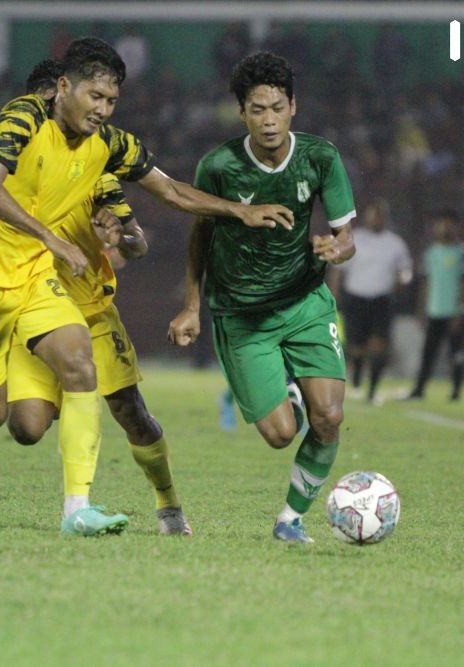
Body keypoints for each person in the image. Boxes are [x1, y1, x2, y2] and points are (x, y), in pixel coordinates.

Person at [0, 41, 293, 538]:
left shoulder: (109, 150)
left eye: (111, 101)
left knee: (81, 361)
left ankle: (77, 509)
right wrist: (45, 238)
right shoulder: (21, 120)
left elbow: (168, 191)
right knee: (6, 422)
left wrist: (240, 211)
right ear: (63, 88)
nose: (102, 110)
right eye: (95, 97)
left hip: (41, 278)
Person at [167, 52, 357, 544]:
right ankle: (286, 394)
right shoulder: (220, 166)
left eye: (277, 107)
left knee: (330, 417)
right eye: (257, 110)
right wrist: (192, 304)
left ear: (293, 106)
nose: (269, 120)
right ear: (242, 112)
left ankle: (290, 520)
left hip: (304, 302)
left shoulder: (320, 157)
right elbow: (199, 238)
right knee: (279, 435)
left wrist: (336, 249)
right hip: (242, 314)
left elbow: (346, 237)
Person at [328, 198, 412, 404]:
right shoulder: (355, 239)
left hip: (381, 300)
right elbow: (338, 270)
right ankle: (356, 379)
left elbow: (405, 270)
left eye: (380, 215)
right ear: (366, 217)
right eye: (373, 215)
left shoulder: (395, 243)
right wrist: (332, 296)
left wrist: (403, 279)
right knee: (356, 347)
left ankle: (372, 390)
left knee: (379, 346)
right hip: (355, 299)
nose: (377, 219)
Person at [404, 211, 464, 401]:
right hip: (434, 311)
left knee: (456, 354)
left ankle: (456, 391)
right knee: (428, 354)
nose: (445, 229)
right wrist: (421, 311)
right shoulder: (430, 253)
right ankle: (419, 389)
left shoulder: (462, 252)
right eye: (442, 225)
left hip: (454, 313)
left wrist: (461, 310)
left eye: (449, 225)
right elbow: (425, 284)